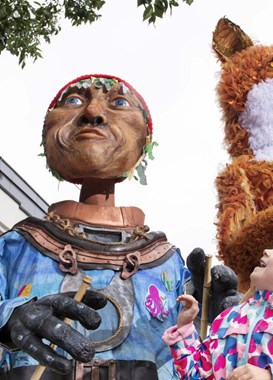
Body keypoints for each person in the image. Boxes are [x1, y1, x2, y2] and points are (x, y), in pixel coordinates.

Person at [0, 74, 193, 380]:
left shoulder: (168, 263)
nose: (93, 114)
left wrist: (231, 325)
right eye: (74, 101)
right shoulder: (16, 246)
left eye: (119, 103)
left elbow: (186, 361)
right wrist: (10, 316)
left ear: (145, 141)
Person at [162, 235, 273, 379]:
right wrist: (184, 330)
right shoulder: (228, 318)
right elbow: (197, 374)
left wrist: (271, 377)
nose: (267, 251)